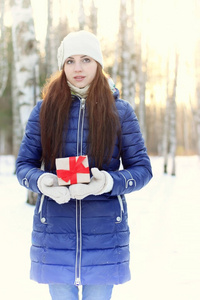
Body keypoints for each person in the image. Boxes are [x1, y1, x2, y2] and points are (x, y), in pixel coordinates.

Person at [16, 30, 152, 300]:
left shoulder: (120, 111)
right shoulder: (44, 110)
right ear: (62, 66)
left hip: (104, 237)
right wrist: (43, 182)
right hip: (55, 233)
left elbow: (143, 170)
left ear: (98, 63)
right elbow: (23, 166)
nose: (77, 68)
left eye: (86, 59)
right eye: (70, 61)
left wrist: (109, 183)